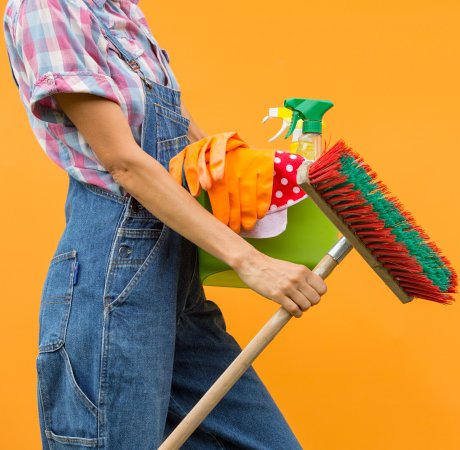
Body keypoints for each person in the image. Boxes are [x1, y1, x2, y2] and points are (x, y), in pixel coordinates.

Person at [3, 0, 327, 447]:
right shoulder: (47, 8)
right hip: (112, 281)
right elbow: (123, 162)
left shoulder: (120, 8)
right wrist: (250, 262)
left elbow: (185, 138)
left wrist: (260, 174)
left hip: (177, 281)